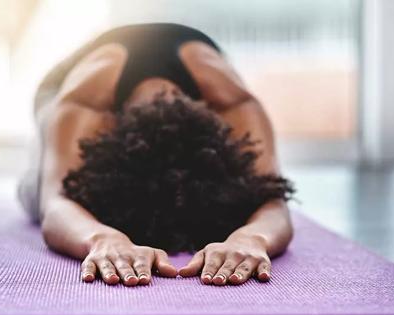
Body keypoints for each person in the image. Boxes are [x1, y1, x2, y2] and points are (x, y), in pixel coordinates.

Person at [16, 22, 295, 287]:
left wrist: (251, 238)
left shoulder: (234, 103)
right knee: (36, 192)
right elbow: (55, 204)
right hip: (63, 87)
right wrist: (101, 238)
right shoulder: (85, 102)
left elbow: (272, 199)